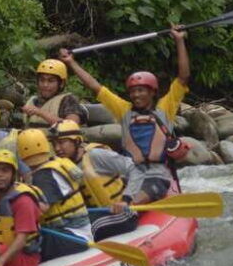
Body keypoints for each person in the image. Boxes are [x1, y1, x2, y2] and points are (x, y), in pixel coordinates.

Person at [59, 25, 190, 213]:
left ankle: (130, 204)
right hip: (129, 172)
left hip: (157, 174)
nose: (136, 95)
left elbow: (183, 77)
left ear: (152, 92)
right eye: (133, 91)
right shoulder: (124, 110)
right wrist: (71, 63)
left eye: (141, 90)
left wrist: (179, 40)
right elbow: (95, 87)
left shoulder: (164, 108)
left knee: (147, 187)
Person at [49, 120, 144, 241]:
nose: (57, 148)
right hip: (96, 215)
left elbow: (136, 169)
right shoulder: (63, 167)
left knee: (88, 229)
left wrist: (126, 200)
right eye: (54, 144)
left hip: (122, 214)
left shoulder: (96, 155)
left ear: (77, 141)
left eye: (62, 143)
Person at [17, 128, 92, 261]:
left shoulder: (43, 175)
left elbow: (42, 208)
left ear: (21, 154)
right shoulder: (55, 163)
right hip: (78, 231)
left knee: (26, 245)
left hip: (72, 235)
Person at [22, 59, 89, 128]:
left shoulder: (68, 100)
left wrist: (40, 113)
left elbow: (72, 126)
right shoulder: (33, 100)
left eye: (51, 81)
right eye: (42, 80)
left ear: (61, 83)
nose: (45, 85)